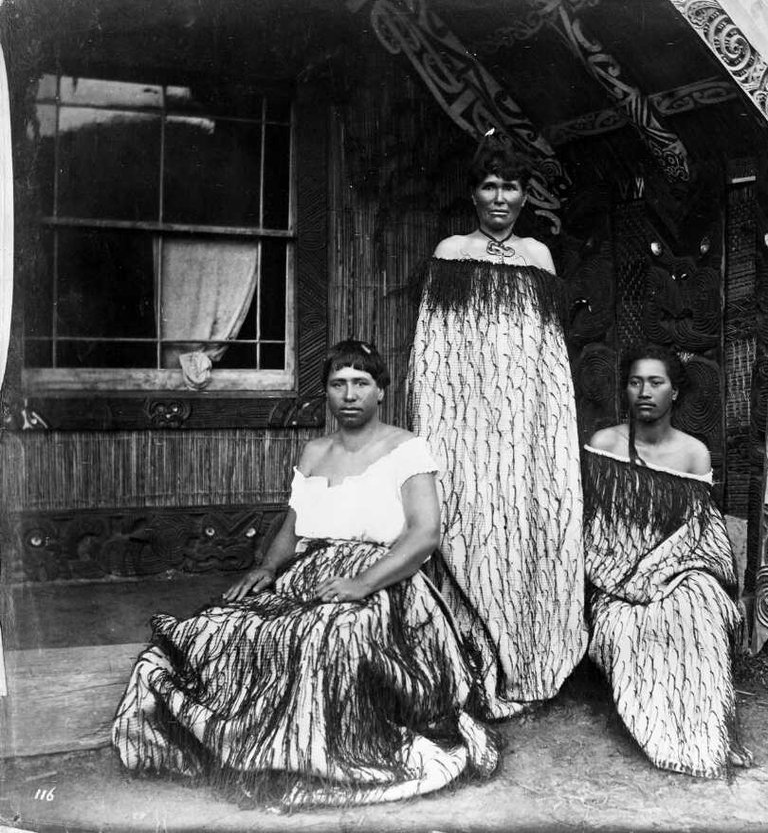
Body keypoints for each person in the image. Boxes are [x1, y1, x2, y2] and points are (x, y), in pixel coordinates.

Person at [112, 340, 497, 808]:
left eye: (362, 383)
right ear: (326, 394)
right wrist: (268, 567)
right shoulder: (313, 451)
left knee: (328, 640)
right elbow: (294, 527)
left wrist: (361, 584)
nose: (350, 395)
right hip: (308, 575)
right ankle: (249, 749)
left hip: (384, 582)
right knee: (222, 627)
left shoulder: (406, 449)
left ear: (381, 392)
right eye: (339, 385)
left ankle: (314, 756)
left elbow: (424, 536)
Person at [406, 144, 586, 719]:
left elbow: (550, 353)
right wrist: (438, 422)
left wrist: (546, 421)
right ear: (473, 193)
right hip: (466, 417)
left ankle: (528, 656)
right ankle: (468, 658)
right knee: (467, 520)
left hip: (525, 416)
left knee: (526, 520)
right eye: (489, 186)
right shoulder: (452, 252)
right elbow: (432, 350)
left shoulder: (538, 254)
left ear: (526, 196)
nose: (500, 198)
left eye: (511, 187)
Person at [584, 345, 749, 777]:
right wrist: (633, 579)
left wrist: (663, 575)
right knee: (634, 629)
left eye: (656, 382)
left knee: (699, 609)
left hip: (679, 570)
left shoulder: (694, 454)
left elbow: (699, 532)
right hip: (617, 577)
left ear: (674, 392)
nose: (644, 391)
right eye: (636, 381)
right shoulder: (605, 445)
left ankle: (709, 733)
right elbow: (596, 530)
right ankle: (671, 738)